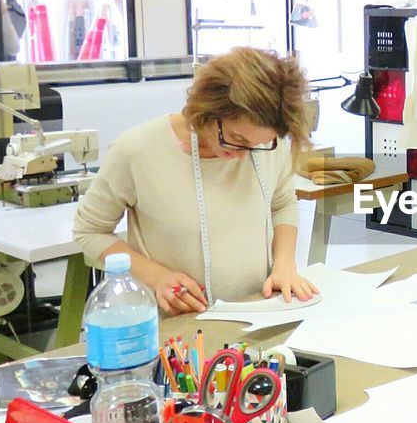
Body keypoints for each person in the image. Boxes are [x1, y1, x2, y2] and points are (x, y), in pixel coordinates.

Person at [74, 47, 317, 315]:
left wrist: (285, 264)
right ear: (208, 109)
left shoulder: (269, 146)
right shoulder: (136, 151)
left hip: (258, 312)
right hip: (176, 327)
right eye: (236, 139)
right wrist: (156, 278)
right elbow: (90, 231)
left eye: (257, 144)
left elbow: (282, 203)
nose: (240, 156)